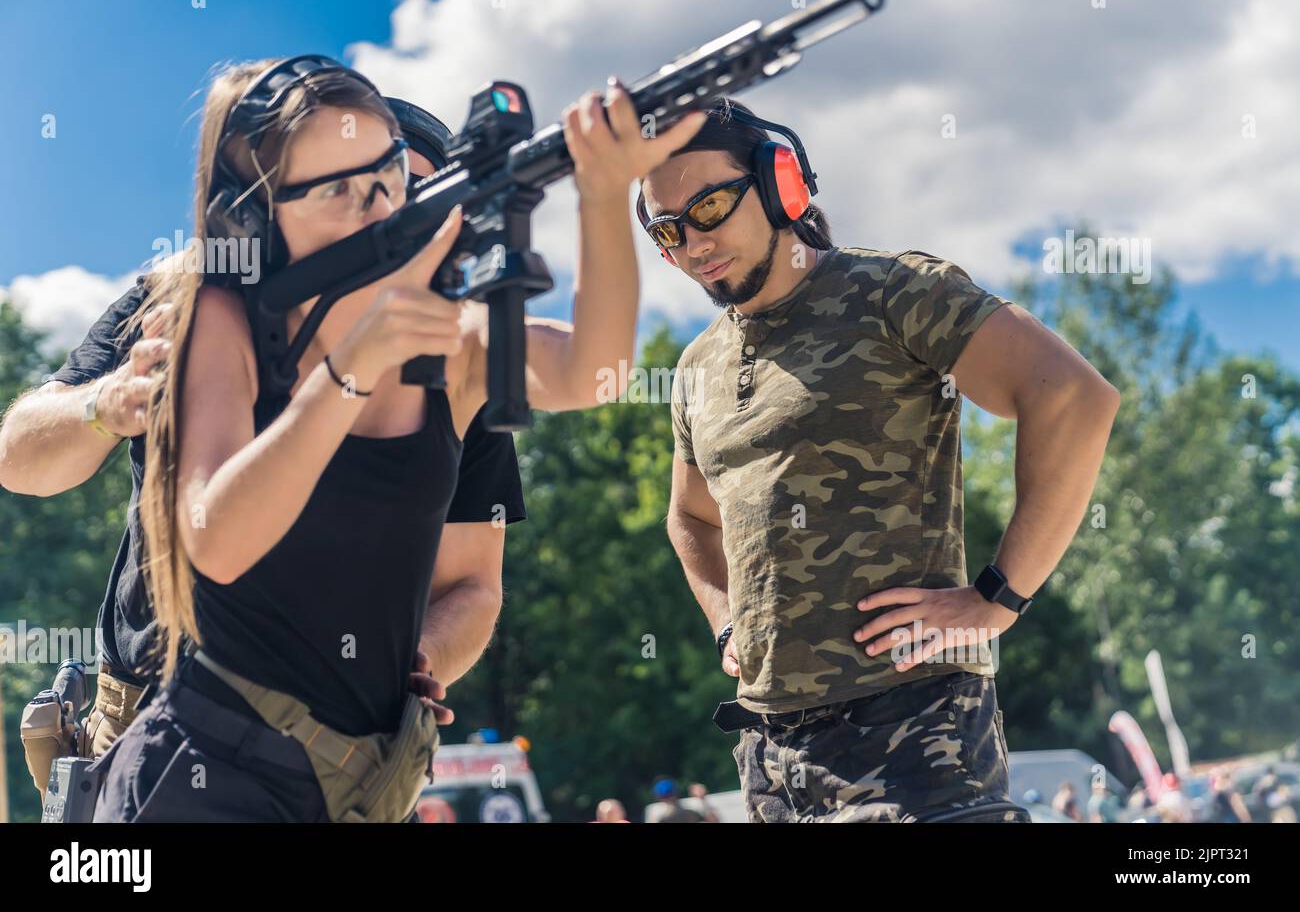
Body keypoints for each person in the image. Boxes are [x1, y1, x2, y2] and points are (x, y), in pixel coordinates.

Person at [88, 55, 704, 822]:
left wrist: (604, 196)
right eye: (338, 193)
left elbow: (599, 375)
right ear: (254, 216)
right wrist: (350, 368)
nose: (378, 211)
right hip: (212, 773)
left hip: (366, 782)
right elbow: (216, 537)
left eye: (386, 180)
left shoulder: (451, 335)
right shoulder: (221, 318)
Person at [0, 96, 518, 797]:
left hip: (339, 752)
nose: (385, 218)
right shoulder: (190, 292)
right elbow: (18, 460)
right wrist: (109, 400)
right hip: (150, 719)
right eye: (360, 186)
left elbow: (472, 586)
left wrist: (420, 653)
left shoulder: (460, 363)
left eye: (415, 199)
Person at [646, 98, 1120, 823]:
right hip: (771, 755)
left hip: (914, 730)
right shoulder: (695, 366)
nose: (694, 242)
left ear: (781, 185)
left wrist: (998, 597)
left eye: (709, 206)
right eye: (669, 231)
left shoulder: (893, 290)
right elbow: (688, 516)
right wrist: (723, 619)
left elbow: (1074, 399)